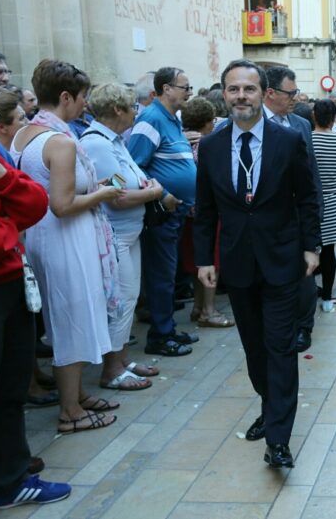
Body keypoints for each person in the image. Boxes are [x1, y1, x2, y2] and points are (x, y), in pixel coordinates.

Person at [194, 59, 321, 469]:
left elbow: (307, 198)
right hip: (237, 265)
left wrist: (311, 246)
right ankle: (269, 406)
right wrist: (203, 260)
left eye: (249, 89)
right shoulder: (212, 146)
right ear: (224, 93)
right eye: (234, 89)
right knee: (254, 350)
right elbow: (206, 210)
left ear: (262, 93)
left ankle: (279, 439)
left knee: (280, 347)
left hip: (283, 260)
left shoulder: (287, 141)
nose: (241, 97)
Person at [10, 60, 123, 433]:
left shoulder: (25, 133)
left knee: (67, 318)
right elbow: (61, 204)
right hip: (65, 238)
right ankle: (70, 411)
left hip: (41, 236)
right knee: (73, 320)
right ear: (64, 97)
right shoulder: (59, 140)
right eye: (82, 98)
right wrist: (102, 192)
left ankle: (75, 396)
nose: (85, 105)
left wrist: (90, 188)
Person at [0, 100, 73, 511]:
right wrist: (6, 224)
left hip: (9, 284)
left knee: (9, 389)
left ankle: (11, 480)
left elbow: (34, 205)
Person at [81, 84, 168, 391]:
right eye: (132, 106)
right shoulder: (98, 144)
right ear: (117, 110)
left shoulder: (114, 141)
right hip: (115, 234)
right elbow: (114, 196)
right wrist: (154, 192)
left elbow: (123, 180)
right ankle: (111, 369)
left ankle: (123, 360)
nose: (136, 111)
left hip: (130, 231)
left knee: (128, 299)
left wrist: (143, 188)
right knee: (120, 300)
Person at [128, 67, 198, 357]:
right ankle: (160, 335)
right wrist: (166, 195)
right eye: (185, 87)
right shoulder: (151, 118)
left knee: (168, 273)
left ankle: (166, 328)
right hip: (162, 212)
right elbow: (135, 166)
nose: (188, 92)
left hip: (176, 212)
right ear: (166, 88)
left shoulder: (170, 119)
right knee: (161, 274)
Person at [264, 66, 324, 352]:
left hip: (299, 215)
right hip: (267, 217)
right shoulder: (254, 125)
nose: (295, 98)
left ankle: (304, 327)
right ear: (271, 93)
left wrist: (317, 213)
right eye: (291, 92)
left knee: (305, 275)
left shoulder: (301, 125)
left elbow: (311, 173)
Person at [178, 96, 234, 329]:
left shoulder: (181, 142)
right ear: (206, 121)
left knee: (195, 260)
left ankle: (197, 306)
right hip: (209, 212)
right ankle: (209, 310)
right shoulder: (207, 145)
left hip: (188, 212)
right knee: (212, 260)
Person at [311, 99, 336, 313]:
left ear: (314, 116)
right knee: (328, 251)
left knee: (309, 248)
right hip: (334, 199)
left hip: (312, 201)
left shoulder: (306, 140)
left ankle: (308, 292)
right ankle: (327, 295)